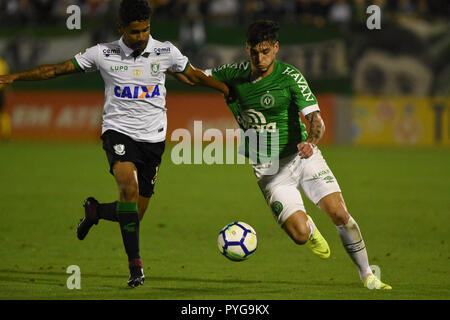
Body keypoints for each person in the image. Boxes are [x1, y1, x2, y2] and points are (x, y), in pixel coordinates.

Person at [0, 0, 229, 288]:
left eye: (146, 30)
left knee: (135, 214)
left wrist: (225, 89)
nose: (141, 36)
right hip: (118, 133)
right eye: (134, 32)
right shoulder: (103, 53)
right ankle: (136, 268)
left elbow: (194, 76)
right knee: (128, 189)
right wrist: (15, 77)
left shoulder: (166, 51)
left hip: (154, 140)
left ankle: (95, 211)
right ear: (120, 28)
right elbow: (57, 70)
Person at [186, 20, 392, 289]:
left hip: (302, 157)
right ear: (247, 49)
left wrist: (311, 141)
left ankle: (367, 275)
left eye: (266, 51)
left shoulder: (290, 77)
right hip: (268, 170)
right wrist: (166, 63)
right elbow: (195, 76)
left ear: (275, 48)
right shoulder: (233, 74)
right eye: (255, 52)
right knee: (300, 235)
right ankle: (309, 228)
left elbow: (316, 119)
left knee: (339, 214)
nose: (260, 58)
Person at [0, 57, 11, 140]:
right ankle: (6, 134)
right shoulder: (2, 63)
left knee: (3, 113)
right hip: (1, 90)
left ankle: (5, 134)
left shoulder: (2, 63)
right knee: (3, 113)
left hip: (1, 90)